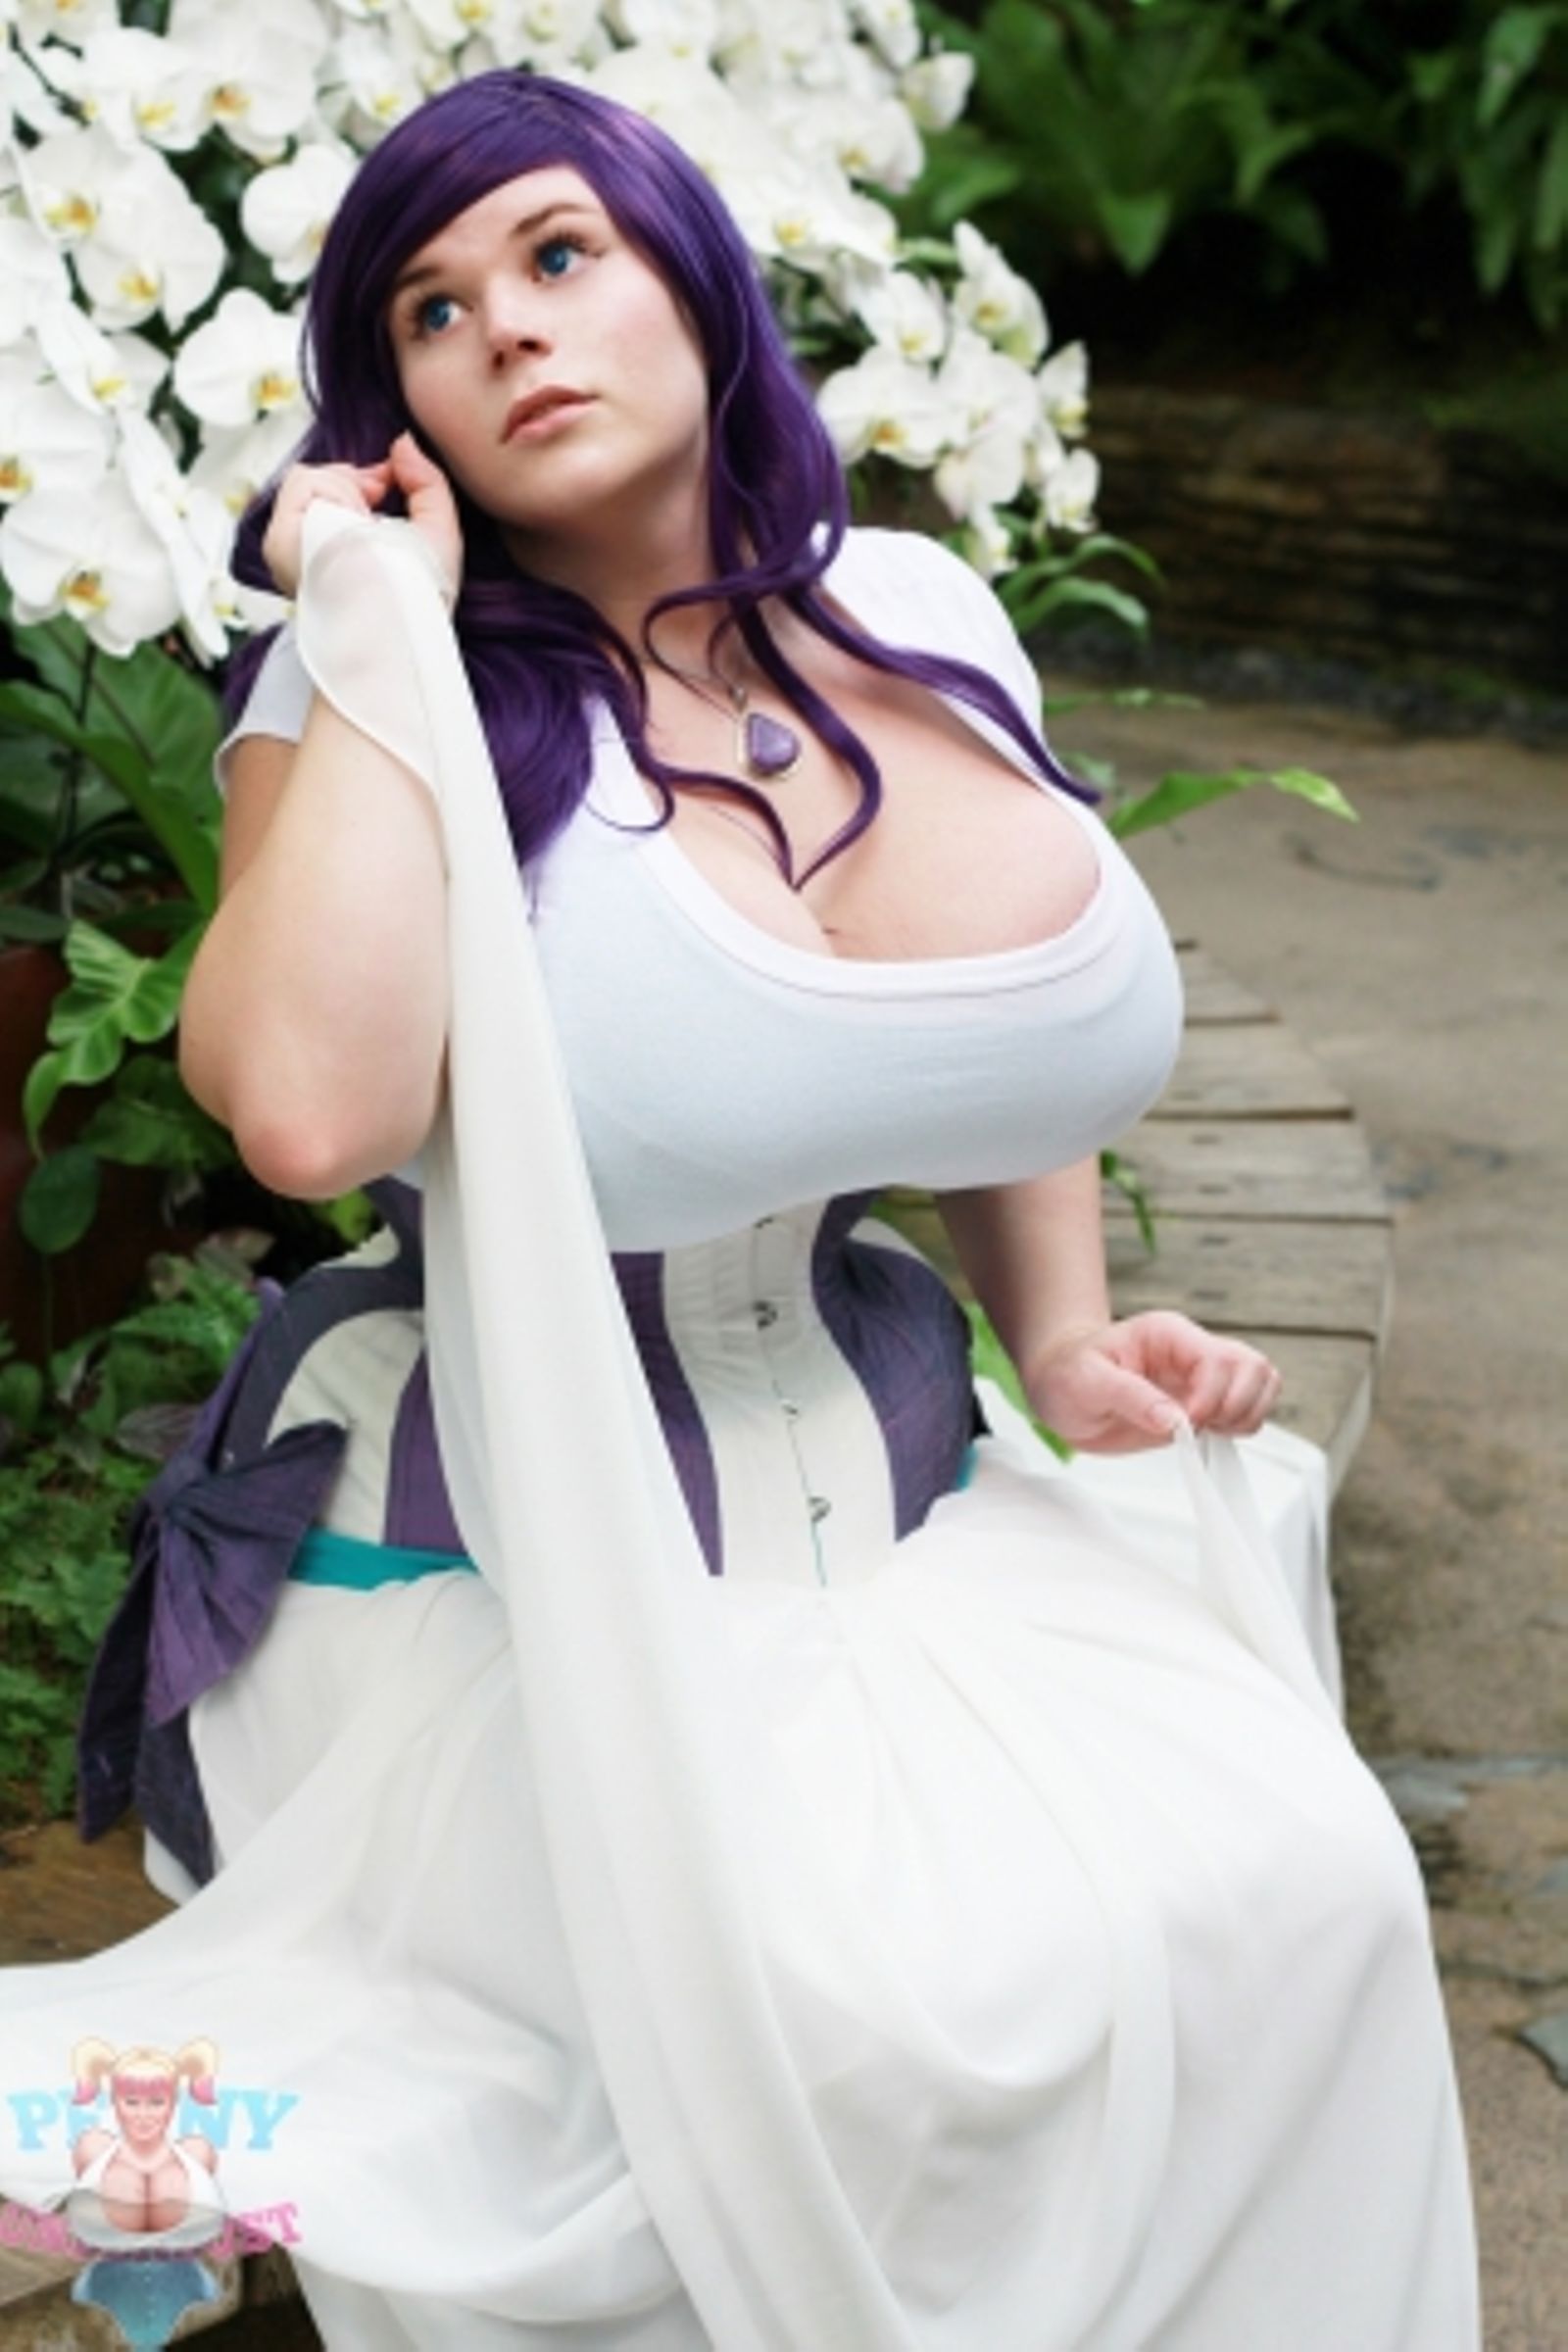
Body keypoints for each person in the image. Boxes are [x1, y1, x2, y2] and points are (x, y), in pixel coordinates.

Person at [0, 71, 1477, 2351]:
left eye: (556, 255)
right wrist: (377, 620)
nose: (505, 328)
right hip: (497, 1579)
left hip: (903, 1522)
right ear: (393, 410)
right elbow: (302, 1114)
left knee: (1307, 1889)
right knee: (850, 2025)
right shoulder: (367, 685)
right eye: (428, 312)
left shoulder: (915, 607)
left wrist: (1061, 1338)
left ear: (693, 275)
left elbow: (980, 1046)